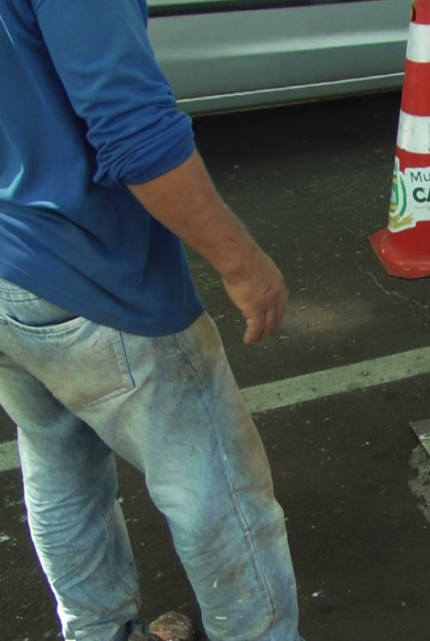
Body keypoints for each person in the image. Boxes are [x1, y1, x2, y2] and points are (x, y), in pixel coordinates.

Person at [0, 0, 303, 639]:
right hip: (88, 272)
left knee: (58, 456)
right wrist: (241, 261)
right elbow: (134, 130)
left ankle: (99, 632)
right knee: (218, 490)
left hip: (8, 270)